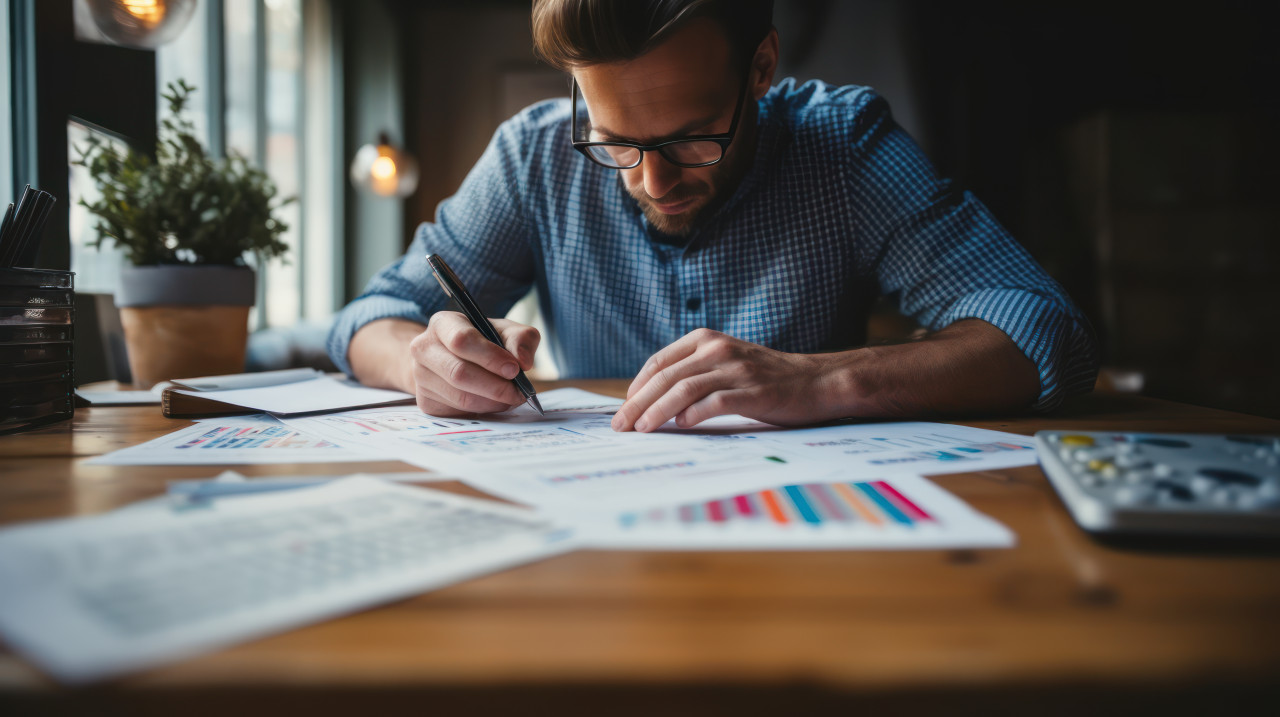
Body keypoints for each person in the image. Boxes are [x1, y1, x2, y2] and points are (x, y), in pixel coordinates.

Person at [328, 0, 1098, 432]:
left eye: (693, 138)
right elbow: (374, 315)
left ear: (761, 68)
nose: (655, 180)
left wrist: (819, 384)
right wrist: (423, 360)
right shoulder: (533, 157)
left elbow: (1045, 332)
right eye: (615, 141)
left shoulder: (845, 150)